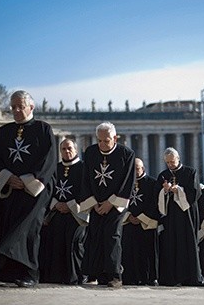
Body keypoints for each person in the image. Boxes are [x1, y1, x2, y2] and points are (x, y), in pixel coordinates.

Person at [0, 90, 57, 288]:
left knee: (28, 229)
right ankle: (10, 273)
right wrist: (8, 178)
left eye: (21, 106)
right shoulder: (4, 131)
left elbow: (49, 160)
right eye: (13, 107)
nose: (16, 110)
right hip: (10, 188)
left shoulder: (43, 129)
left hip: (34, 190)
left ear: (31, 107)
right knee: (8, 225)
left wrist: (28, 180)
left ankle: (30, 272)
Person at [79, 122, 135, 288]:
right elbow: (86, 179)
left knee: (112, 236)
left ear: (115, 138)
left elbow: (127, 182)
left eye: (107, 140)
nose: (103, 144)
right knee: (95, 236)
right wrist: (93, 203)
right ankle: (96, 273)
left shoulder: (126, 154)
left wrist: (111, 203)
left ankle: (115, 274)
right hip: (96, 203)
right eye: (100, 141)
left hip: (115, 204)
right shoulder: (90, 153)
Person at [38, 138, 88, 284]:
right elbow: (48, 189)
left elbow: (86, 190)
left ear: (76, 149)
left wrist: (70, 205)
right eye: (63, 149)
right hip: (56, 213)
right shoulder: (54, 168)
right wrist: (56, 203)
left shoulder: (84, 168)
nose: (67, 151)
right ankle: (55, 276)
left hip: (76, 214)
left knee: (74, 245)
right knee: (55, 244)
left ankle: (76, 276)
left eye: (69, 148)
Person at [156, 147, 203, 286]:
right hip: (170, 217)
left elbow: (195, 194)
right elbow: (157, 196)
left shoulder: (190, 172)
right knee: (171, 245)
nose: (170, 165)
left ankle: (191, 278)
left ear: (178, 158)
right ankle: (172, 278)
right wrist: (164, 191)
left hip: (186, 216)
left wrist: (179, 190)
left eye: (172, 161)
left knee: (188, 245)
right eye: (168, 163)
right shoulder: (163, 175)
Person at [121, 157, 159, 286]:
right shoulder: (125, 183)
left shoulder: (153, 183)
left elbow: (155, 204)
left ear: (143, 168)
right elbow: (122, 201)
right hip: (129, 222)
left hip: (146, 224)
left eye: (137, 169)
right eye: (133, 169)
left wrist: (141, 218)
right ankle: (130, 277)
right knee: (130, 252)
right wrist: (129, 216)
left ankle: (149, 277)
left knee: (147, 253)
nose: (135, 171)